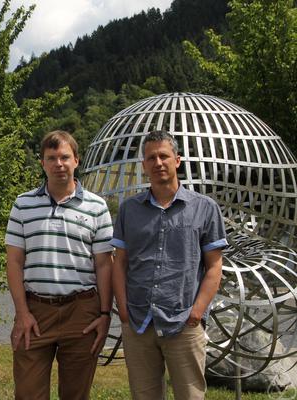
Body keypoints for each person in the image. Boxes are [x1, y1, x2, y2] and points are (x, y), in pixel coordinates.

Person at [111, 130, 228, 400]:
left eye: (164, 156)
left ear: (177, 160)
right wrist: (125, 311)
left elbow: (214, 266)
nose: (158, 162)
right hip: (140, 322)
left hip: (184, 322)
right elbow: (119, 264)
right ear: (143, 165)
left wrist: (197, 312)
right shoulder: (129, 209)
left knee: (190, 396)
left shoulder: (205, 208)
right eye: (151, 158)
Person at [5, 130, 114, 400]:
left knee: (76, 394)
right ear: (42, 163)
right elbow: (14, 261)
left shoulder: (97, 207)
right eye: (51, 158)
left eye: (65, 157)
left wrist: (103, 315)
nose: (59, 164)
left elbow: (104, 265)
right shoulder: (23, 204)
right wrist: (21, 312)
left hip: (82, 311)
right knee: (28, 393)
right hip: (35, 310)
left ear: (76, 160)